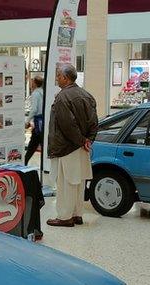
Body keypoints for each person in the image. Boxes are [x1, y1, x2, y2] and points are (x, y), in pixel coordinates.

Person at [46, 64, 97, 228]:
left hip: (67, 147)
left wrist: (82, 140)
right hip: (82, 148)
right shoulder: (87, 95)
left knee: (66, 183)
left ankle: (65, 217)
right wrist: (88, 140)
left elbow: (68, 125)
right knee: (79, 182)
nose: (56, 79)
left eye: (58, 76)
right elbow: (94, 122)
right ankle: (77, 214)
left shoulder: (62, 97)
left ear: (65, 78)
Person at [24, 75, 44, 165]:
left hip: (38, 121)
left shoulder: (35, 93)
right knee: (37, 141)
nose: (31, 83)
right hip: (42, 120)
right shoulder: (42, 92)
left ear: (35, 83)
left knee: (34, 142)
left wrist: (27, 120)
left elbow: (34, 109)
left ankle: (25, 161)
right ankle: (25, 161)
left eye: (32, 82)